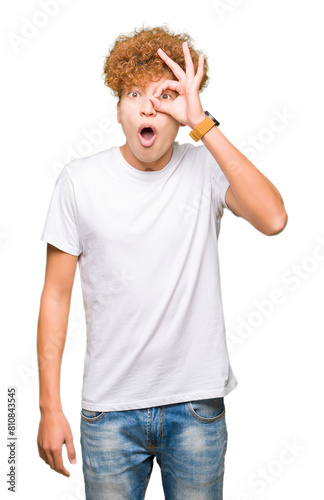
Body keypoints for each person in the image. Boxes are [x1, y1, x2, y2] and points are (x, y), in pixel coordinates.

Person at [36, 25, 287, 500]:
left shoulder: (207, 166)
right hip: (109, 413)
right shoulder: (79, 182)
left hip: (195, 409)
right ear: (118, 110)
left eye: (165, 95)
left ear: (180, 113)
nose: (148, 107)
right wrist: (49, 404)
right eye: (134, 94)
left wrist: (202, 121)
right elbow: (55, 298)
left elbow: (273, 218)